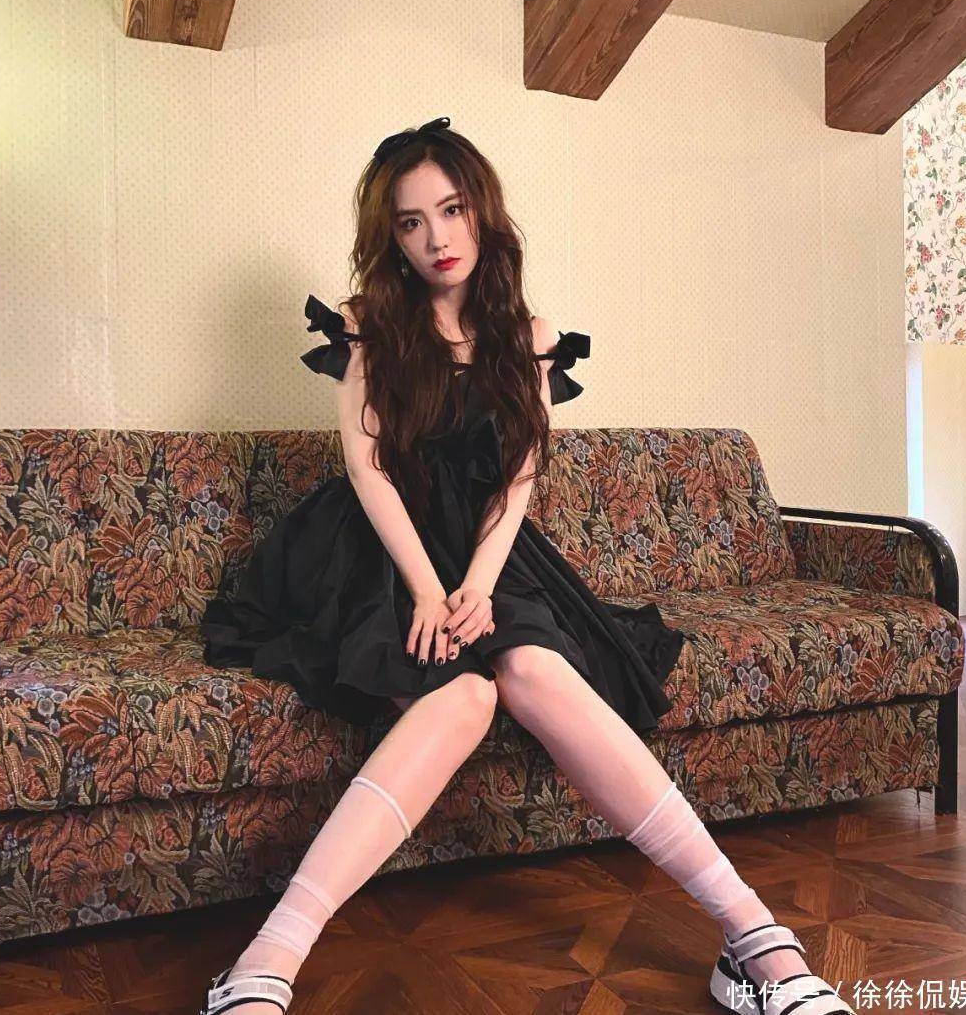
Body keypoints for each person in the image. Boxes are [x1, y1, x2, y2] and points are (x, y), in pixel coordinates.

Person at [197, 117, 855, 1015]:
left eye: (451, 210)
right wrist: (428, 590)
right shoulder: (368, 325)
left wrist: (475, 584)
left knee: (536, 670)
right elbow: (368, 465)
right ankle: (262, 965)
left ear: (483, 212)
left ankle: (755, 938)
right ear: (390, 238)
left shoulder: (529, 335)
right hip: (375, 552)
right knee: (462, 696)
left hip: (491, 554)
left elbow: (518, 477)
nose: (435, 237)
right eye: (410, 222)